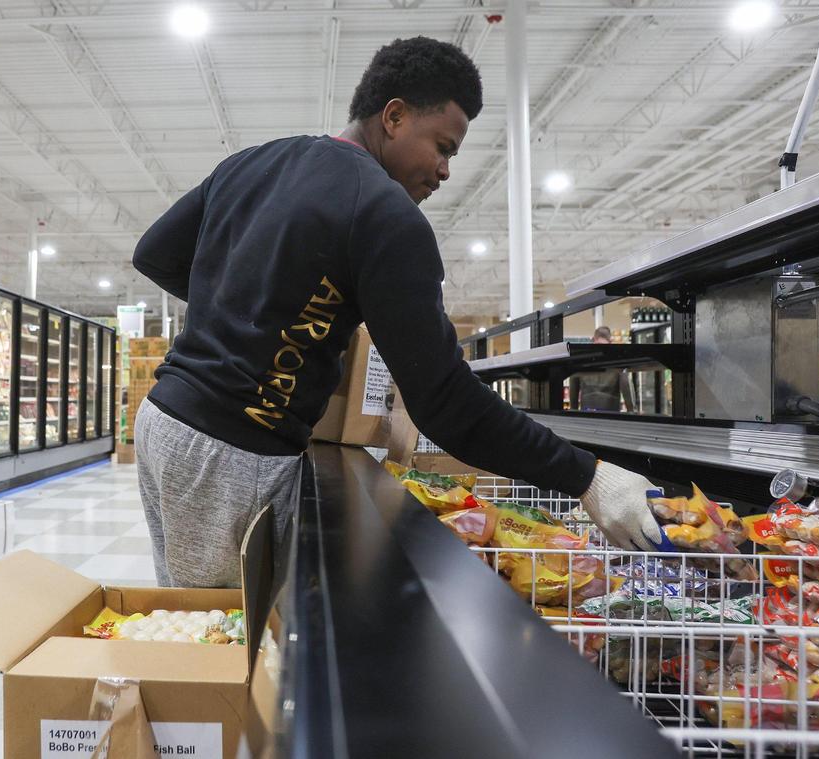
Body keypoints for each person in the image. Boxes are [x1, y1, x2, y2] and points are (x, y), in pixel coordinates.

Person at [132, 37, 664, 589]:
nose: (445, 170)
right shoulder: (386, 215)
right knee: (228, 648)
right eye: (444, 146)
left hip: (163, 420)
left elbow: (156, 253)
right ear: (394, 116)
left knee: (189, 619)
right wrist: (587, 476)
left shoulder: (260, 159)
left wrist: (244, 305)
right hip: (232, 452)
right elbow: (445, 403)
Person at [569, 327, 636, 412]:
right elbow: (626, 386)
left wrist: (573, 409)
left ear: (593, 339)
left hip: (587, 413)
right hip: (611, 414)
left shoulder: (581, 360)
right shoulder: (618, 361)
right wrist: (632, 411)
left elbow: (573, 387)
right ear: (610, 341)